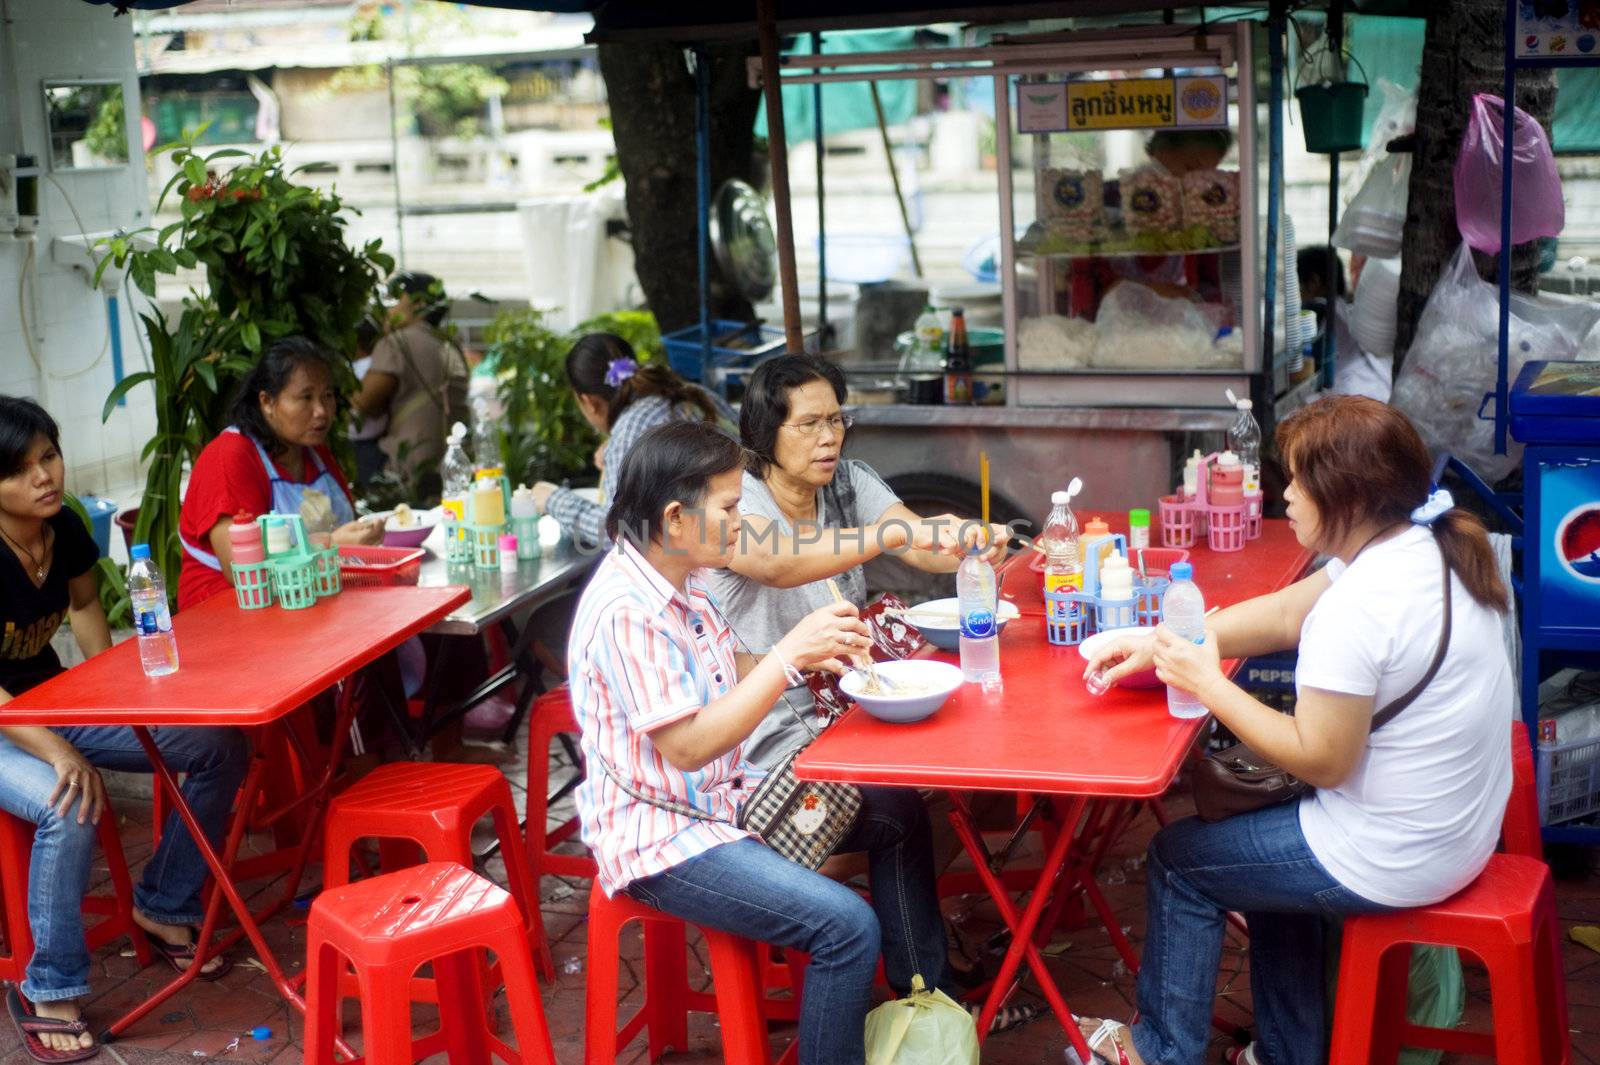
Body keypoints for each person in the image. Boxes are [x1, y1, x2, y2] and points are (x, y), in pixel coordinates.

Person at [1079, 395, 1513, 1065]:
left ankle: (1159, 1052)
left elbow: (1322, 760)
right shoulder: (1417, 543)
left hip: (1401, 853)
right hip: (1457, 830)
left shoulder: (1361, 608)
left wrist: (1209, 683)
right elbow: (1284, 614)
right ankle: (1290, 1052)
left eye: (1299, 479)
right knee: (1253, 856)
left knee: (1181, 862)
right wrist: (1164, 639)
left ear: (1348, 495)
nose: (1284, 494)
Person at [569, 420, 959, 1065]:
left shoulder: (684, 579)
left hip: (727, 802)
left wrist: (817, 656)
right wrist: (787, 655)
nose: (741, 522)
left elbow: (728, 670)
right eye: (729, 507)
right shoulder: (627, 610)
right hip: (664, 838)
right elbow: (689, 745)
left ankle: (927, 1002)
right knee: (845, 927)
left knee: (897, 810)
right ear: (676, 516)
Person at [0, 397, 250, 1061]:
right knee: (69, 801)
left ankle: (166, 901)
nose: (44, 476)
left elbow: (84, 603)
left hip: (51, 703)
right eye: (21, 470)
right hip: (4, 726)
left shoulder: (65, 526)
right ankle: (45, 985)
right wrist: (56, 748)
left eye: (48, 456)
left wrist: (115, 685)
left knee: (218, 742)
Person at [708, 354, 1007, 771]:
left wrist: (966, 543)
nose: (828, 437)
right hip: (775, 721)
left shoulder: (848, 482)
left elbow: (916, 541)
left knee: (971, 732)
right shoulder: (736, 499)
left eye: (835, 421)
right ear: (765, 433)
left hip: (856, 695)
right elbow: (775, 561)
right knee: (901, 796)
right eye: (809, 424)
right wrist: (894, 534)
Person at [178, 336, 384, 611]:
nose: (321, 411)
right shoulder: (229, 456)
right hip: (228, 612)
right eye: (305, 397)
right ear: (267, 402)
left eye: (327, 395)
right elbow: (242, 570)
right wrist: (332, 544)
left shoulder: (314, 451)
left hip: (307, 600)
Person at [529, 332, 728, 547]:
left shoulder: (629, 431)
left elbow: (621, 533)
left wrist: (553, 500)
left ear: (588, 401)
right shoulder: (694, 394)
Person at [351, 271, 469, 499]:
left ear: (419, 304)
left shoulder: (399, 341)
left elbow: (361, 403)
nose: (385, 308)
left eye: (394, 299)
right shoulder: (450, 344)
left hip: (406, 464)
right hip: (451, 460)